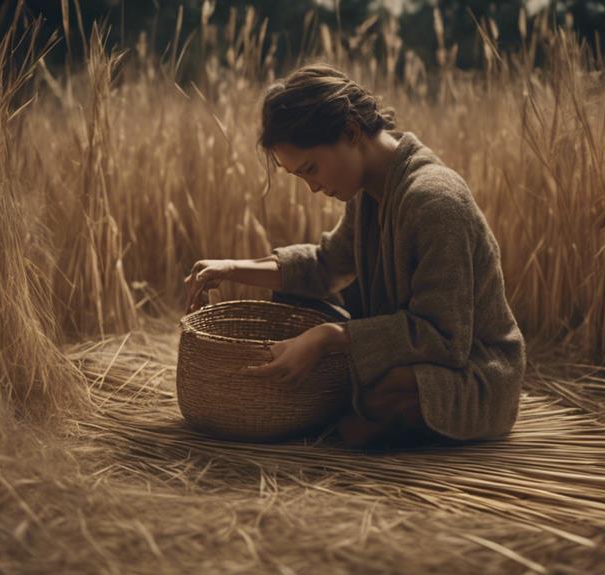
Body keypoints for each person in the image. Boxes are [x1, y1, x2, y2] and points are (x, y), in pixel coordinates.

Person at [184, 63, 525, 450]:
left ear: (350, 132)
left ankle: (342, 406)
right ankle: (335, 401)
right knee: (295, 302)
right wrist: (231, 269)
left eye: (312, 169)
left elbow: (444, 336)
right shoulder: (370, 191)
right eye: (300, 177)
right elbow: (326, 266)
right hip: (414, 352)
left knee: (379, 398)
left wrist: (329, 337)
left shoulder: (434, 201)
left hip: (471, 370)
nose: (313, 188)